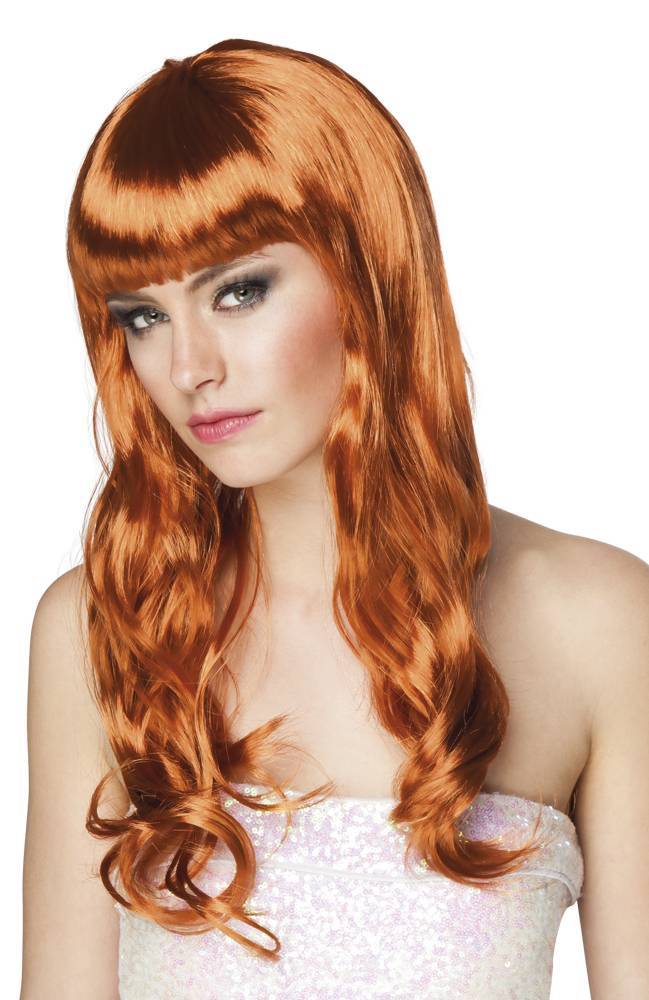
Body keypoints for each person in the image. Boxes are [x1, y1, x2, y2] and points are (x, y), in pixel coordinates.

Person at [21, 38, 649, 1000]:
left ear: (369, 271)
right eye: (142, 315)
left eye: (238, 291)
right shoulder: (105, 627)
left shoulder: (597, 620)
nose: (187, 368)